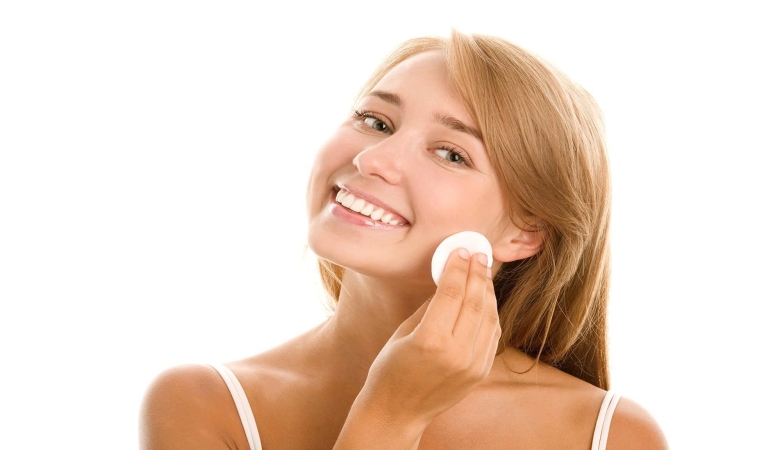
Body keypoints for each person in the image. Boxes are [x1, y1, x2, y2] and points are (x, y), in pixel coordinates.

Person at [140, 31, 668, 449]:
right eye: (375, 121)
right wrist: (390, 414)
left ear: (525, 231)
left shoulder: (613, 435)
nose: (373, 159)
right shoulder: (202, 406)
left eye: (451, 153)